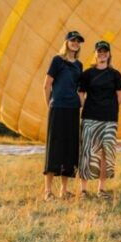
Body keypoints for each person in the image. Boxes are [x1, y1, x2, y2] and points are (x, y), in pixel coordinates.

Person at [78, 41, 121, 200]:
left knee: (106, 153)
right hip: (90, 117)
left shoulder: (115, 75)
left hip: (109, 120)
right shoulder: (87, 74)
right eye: (99, 51)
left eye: (105, 51)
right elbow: (81, 95)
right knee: (87, 152)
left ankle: (101, 189)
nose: (102, 54)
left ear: (109, 54)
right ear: (95, 53)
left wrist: (108, 107)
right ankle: (83, 190)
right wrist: (91, 106)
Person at [43, 31, 84, 201]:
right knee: (54, 147)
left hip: (72, 109)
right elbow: (46, 85)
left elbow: (80, 89)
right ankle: (47, 191)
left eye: (78, 41)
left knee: (69, 148)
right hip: (58, 108)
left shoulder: (79, 65)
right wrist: (50, 105)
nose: (75, 43)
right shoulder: (57, 60)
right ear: (66, 42)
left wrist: (80, 105)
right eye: (72, 40)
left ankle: (64, 190)